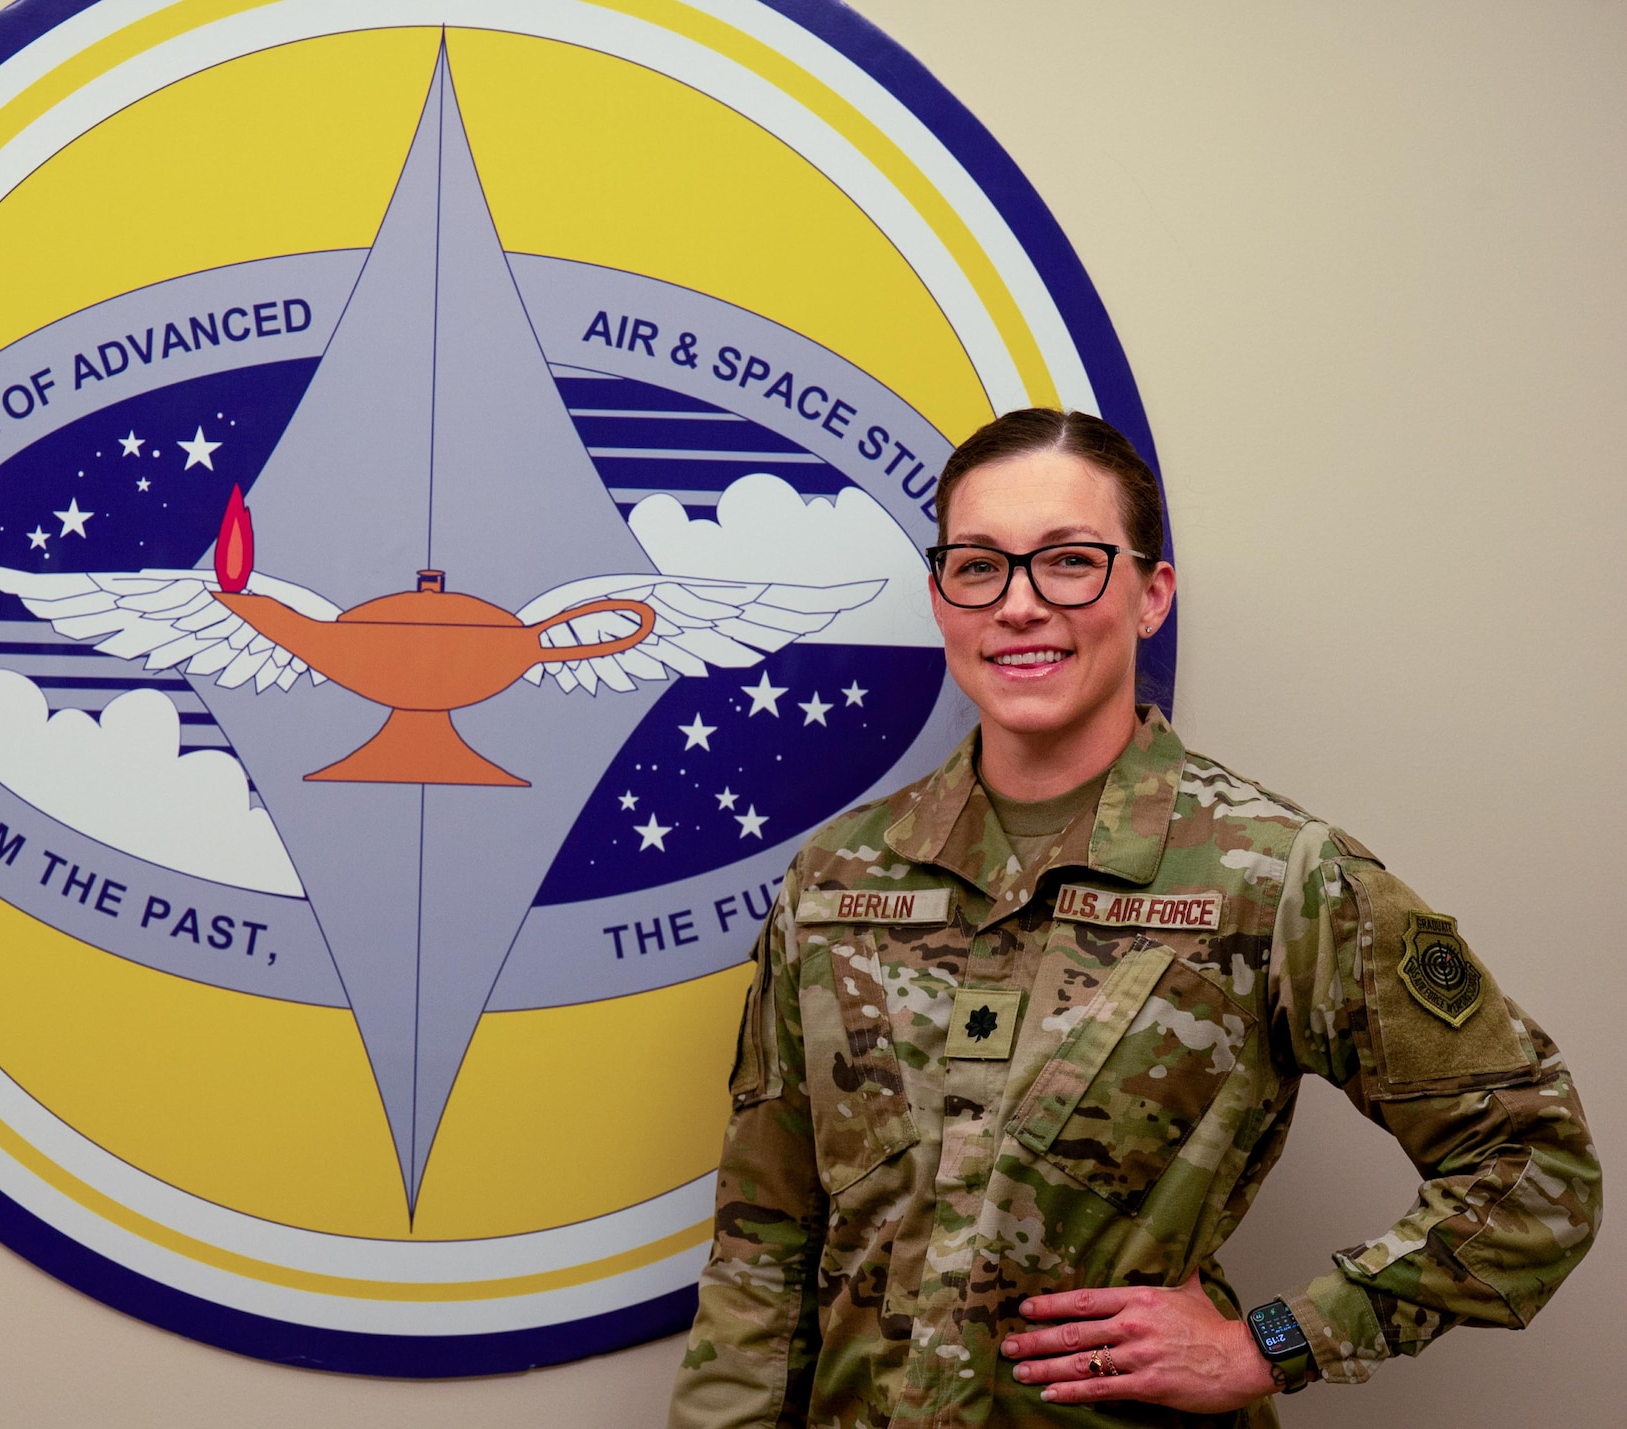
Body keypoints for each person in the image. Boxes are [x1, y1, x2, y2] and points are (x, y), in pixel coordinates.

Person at [666, 409, 1599, 1428]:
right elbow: (763, 1241)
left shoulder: (1273, 875)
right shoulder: (837, 881)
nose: (1018, 605)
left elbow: (1530, 1166)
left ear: (1148, 596)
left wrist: (1273, 1343)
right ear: (941, 599)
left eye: (1068, 561)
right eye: (978, 566)